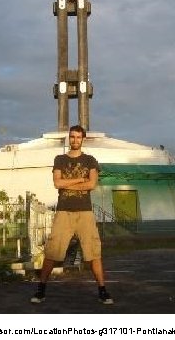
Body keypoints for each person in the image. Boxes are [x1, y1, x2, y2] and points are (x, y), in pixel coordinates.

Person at [31, 125, 114, 305]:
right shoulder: (60, 159)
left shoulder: (90, 160)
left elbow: (91, 185)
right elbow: (56, 183)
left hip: (85, 212)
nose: (75, 140)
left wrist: (67, 184)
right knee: (52, 251)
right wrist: (79, 179)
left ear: (83, 139)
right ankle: (41, 290)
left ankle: (102, 290)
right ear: (69, 138)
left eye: (78, 137)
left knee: (94, 253)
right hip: (63, 212)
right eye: (72, 137)